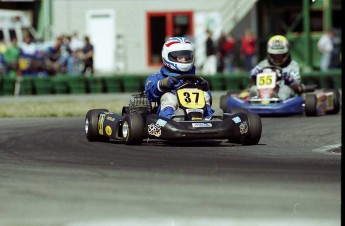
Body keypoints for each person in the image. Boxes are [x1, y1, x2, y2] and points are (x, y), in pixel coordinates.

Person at [145, 37, 222, 120]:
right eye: (179, 57)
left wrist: (205, 89)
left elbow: (209, 100)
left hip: (195, 111)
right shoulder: (158, 77)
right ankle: (171, 118)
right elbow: (149, 93)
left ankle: (209, 118)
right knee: (169, 97)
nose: (184, 60)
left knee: (205, 95)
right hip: (168, 114)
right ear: (167, 56)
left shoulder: (196, 78)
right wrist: (162, 84)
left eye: (187, 57)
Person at [249, 35, 302, 101]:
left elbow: (297, 85)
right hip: (263, 91)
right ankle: (254, 99)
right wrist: (253, 74)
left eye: (280, 55)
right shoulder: (263, 64)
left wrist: (289, 78)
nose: (277, 58)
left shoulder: (293, 65)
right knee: (254, 88)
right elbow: (251, 76)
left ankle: (277, 99)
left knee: (285, 89)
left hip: (284, 91)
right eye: (275, 55)